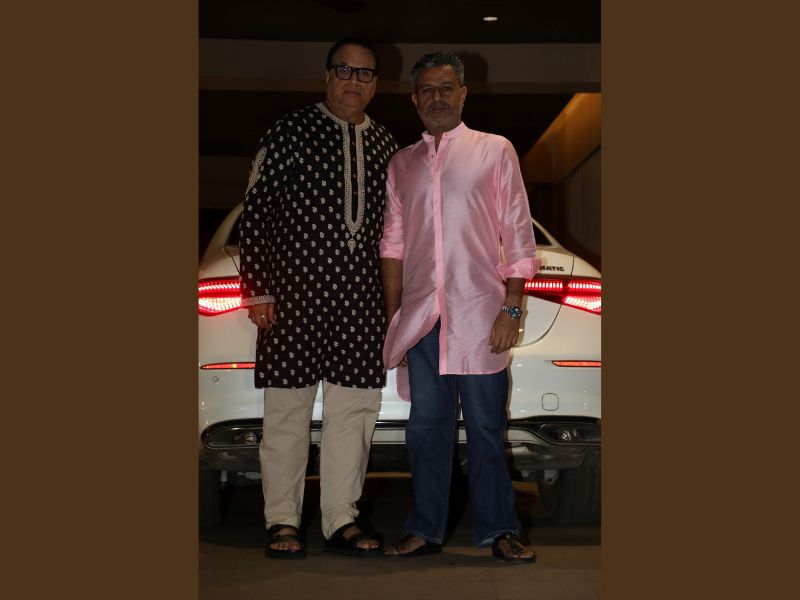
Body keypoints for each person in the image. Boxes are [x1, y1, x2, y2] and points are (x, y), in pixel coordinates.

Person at [239, 37, 398, 559]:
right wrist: (258, 288)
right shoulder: (289, 131)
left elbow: (398, 231)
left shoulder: (387, 145)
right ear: (328, 75)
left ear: (376, 84)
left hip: (361, 302)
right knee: (287, 411)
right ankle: (283, 520)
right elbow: (256, 211)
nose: (354, 81)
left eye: (365, 73)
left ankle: (341, 519)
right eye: (344, 70)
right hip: (293, 297)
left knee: (354, 412)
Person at [380, 52, 538, 563]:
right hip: (422, 322)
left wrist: (511, 308)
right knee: (426, 430)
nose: (437, 98)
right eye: (427, 90)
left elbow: (517, 231)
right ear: (414, 99)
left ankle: (500, 530)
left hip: (480, 317)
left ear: (463, 94)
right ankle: (425, 529)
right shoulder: (401, 164)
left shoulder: (494, 151)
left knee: (487, 430)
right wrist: (396, 318)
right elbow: (393, 245)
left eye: (446, 88)